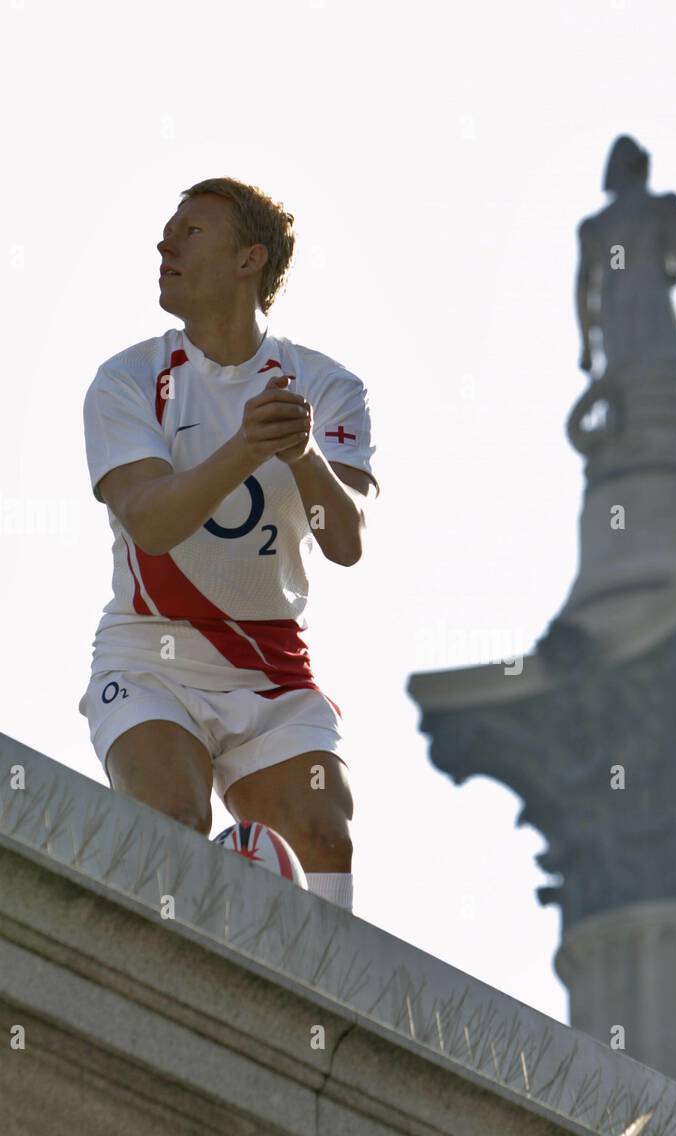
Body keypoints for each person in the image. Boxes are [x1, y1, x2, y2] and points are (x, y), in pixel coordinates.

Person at [79, 177, 379, 912]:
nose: (165, 244)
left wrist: (302, 453)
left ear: (249, 260)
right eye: (167, 230)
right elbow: (150, 520)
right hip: (153, 653)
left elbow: (346, 543)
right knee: (175, 821)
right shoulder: (127, 379)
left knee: (324, 836)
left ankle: (312, 1022)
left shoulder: (330, 385)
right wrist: (248, 447)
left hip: (270, 666)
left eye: (190, 231)